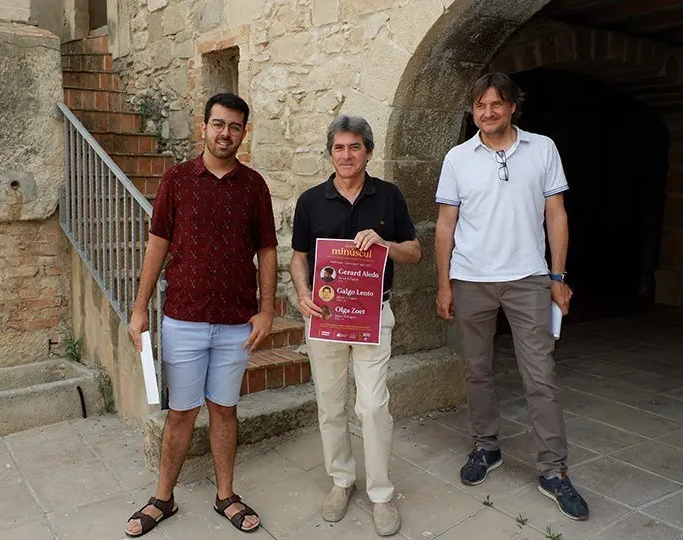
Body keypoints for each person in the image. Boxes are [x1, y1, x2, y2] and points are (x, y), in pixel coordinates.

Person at [434, 73, 589, 521]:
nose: (488, 113)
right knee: (477, 370)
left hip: (528, 278)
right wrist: (444, 284)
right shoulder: (458, 158)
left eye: (496, 104)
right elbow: (446, 225)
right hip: (470, 279)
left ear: (512, 107)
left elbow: (556, 215)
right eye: (480, 106)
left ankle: (553, 471)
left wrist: (557, 275)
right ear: (473, 110)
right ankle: (486, 447)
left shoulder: (542, 149)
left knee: (539, 375)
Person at [125, 93, 278, 537]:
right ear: (204, 127)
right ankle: (162, 498)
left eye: (234, 126)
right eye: (217, 124)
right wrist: (139, 310)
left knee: (225, 410)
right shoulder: (176, 181)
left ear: (243, 132)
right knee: (181, 415)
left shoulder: (254, 186)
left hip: (236, 324)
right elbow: (158, 245)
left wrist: (267, 310)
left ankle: (226, 495)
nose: (224, 133)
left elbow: (267, 250)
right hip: (184, 320)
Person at [291, 115, 421, 537]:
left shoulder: (389, 197)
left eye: (354, 147)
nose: (346, 155)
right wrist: (302, 292)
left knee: (373, 406)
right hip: (324, 318)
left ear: (368, 150)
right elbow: (298, 257)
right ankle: (341, 481)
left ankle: (381, 494)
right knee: (330, 404)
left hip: (373, 316)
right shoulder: (311, 201)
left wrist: (385, 244)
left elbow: (415, 252)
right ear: (330, 153)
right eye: (339, 148)